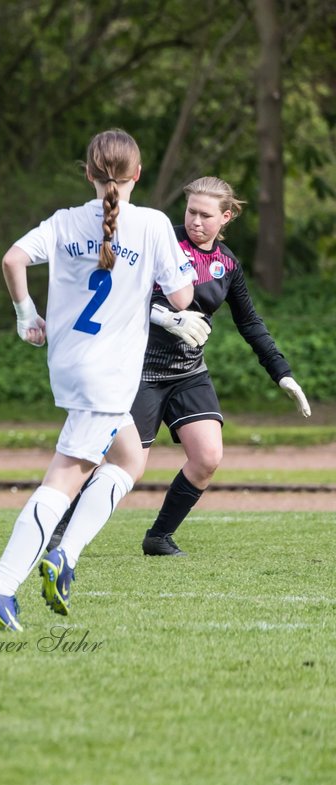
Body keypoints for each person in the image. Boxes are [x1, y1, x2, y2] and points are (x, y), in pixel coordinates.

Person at [0, 129, 196, 631]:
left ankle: (64, 556)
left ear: (89, 173)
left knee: (129, 458)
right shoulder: (154, 223)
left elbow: (13, 259)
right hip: (108, 374)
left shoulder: (64, 222)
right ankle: (2, 583)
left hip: (71, 363)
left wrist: (24, 313)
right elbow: (182, 298)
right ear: (138, 174)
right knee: (64, 480)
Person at [45, 176, 310, 559]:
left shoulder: (226, 264)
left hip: (188, 374)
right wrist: (168, 318)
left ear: (227, 216)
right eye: (191, 211)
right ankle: (61, 527)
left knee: (207, 458)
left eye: (206, 215)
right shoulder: (159, 241)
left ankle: (159, 537)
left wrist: (282, 372)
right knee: (121, 464)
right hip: (139, 371)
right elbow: (123, 295)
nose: (195, 221)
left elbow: (250, 323)